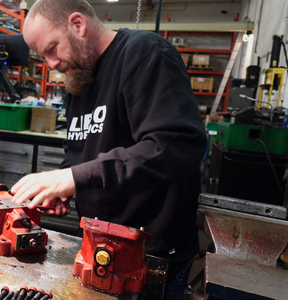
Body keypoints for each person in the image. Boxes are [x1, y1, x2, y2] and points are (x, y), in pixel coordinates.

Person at [11, 0, 208, 278]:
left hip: (150, 253)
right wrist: (64, 184)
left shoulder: (144, 54)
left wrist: (76, 177)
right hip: (97, 242)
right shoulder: (79, 74)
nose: (51, 64)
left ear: (78, 25)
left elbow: (174, 143)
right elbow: (79, 148)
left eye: (52, 49)